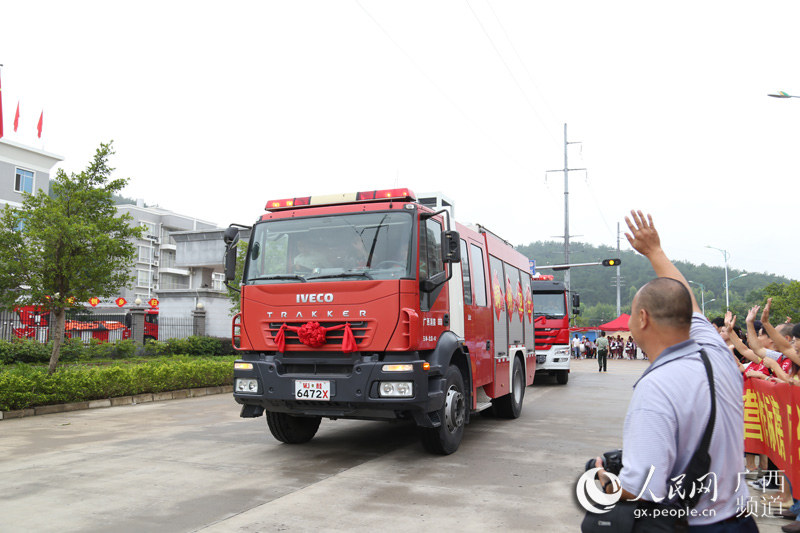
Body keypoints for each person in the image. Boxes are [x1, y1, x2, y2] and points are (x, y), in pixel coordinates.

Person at [593, 210, 756, 531]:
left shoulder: (656, 388)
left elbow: (641, 490)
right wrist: (655, 252)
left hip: (693, 524)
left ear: (642, 319)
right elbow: (688, 302)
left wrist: (603, 480)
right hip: (740, 519)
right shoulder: (716, 353)